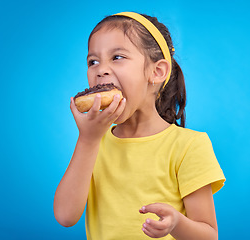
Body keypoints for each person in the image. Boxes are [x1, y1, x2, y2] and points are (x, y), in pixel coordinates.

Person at [53, 12, 225, 240]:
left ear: (157, 72)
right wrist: (87, 140)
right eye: (93, 61)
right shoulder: (94, 142)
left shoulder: (188, 146)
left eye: (117, 57)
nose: (100, 70)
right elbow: (65, 216)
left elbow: (209, 236)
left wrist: (177, 223)